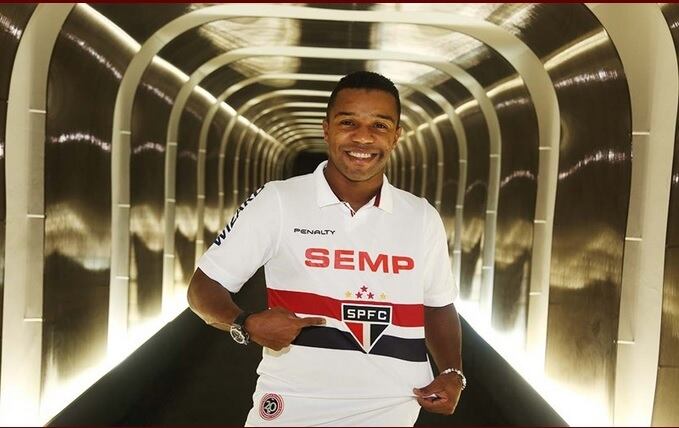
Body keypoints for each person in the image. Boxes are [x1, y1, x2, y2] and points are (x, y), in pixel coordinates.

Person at [187, 71, 464, 426]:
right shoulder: (278, 201)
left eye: (379, 125)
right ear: (327, 129)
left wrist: (453, 372)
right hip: (292, 407)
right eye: (348, 122)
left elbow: (438, 305)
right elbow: (202, 289)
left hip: (392, 410)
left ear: (396, 135)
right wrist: (246, 324)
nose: (363, 137)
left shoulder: (421, 216)